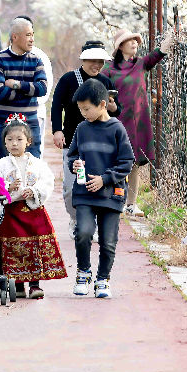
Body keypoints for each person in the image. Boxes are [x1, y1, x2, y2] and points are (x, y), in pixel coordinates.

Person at [67, 79, 135, 299]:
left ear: (103, 104)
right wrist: (74, 164)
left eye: (87, 109)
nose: (84, 113)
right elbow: (72, 155)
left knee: (108, 241)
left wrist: (105, 179)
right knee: (83, 232)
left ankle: (103, 279)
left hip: (111, 195)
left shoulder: (117, 129)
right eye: (81, 109)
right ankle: (83, 272)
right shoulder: (82, 128)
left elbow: (126, 162)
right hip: (84, 193)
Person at [102, 28, 177, 217]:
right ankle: (113, 200)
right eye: (130, 40)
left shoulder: (141, 64)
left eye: (136, 40)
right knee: (115, 161)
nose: (134, 42)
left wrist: (170, 38)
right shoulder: (109, 69)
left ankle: (131, 204)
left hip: (137, 121)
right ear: (120, 46)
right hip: (116, 121)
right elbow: (99, 92)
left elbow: (159, 53)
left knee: (133, 162)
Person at [0, 117, 67, 299]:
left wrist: (34, 190)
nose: (14, 143)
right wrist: (8, 187)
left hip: (34, 212)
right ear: (4, 142)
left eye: (19, 139)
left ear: (29, 142)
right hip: (11, 213)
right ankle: (17, 284)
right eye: (9, 139)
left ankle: (34, 285)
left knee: (35, 246)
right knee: (14, 248)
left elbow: (47, 181)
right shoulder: (0, 165)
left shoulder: (38, 164)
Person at [51, 40, 122, 235]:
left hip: (101, 145)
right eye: (92, 60)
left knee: (97, 184)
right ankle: (75, 218)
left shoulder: (106, 82)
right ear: (83, 59)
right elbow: (56, 105)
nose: (97, 65)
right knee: (70, 187)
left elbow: (117, 111)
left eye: (100, 61)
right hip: (73, 144)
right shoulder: (68, 80)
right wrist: (57, 130)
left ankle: (91, 223)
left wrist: (114, 107)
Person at [0, 17, 48, 158]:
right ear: (15, 37)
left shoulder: (36, 60)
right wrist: (29, 92)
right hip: (4, 124)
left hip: (30, 124)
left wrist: (17, 84)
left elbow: (42, 89)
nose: (32, 39)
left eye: (32, 35)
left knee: (32, 165)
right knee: (4, 166)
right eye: (28, 35)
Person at [14, 15, 53, 140]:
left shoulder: (40, 56)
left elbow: (46, 86)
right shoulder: (2, 56)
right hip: (10, 114)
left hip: (35, 113)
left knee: (34, 149)